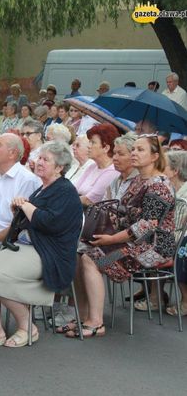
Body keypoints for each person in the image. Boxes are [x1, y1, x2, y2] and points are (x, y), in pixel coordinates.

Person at [0, 141, 83, 348]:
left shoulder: (65, 190)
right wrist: (19, 211)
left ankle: (27, 327)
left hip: (48, 251)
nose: (39, 162)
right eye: (39, 158)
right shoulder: (43, 188)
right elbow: (27, 221)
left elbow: (48, 222)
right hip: (27, 245)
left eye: (46, 160)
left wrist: (25, 205)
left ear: (59, 167)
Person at [73, 135, 176, 338]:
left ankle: (96, 322)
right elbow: (122, 214)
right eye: (134, 149)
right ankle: (83, 316)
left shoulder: (159, 186)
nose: (134, 153)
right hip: (131, 240)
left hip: (154, 247)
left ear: (155, 156)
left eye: (140, 150)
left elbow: (146, 227)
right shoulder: (137, 181)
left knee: (91, 258)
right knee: (79, 253)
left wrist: (110, 239)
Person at [75, 124, 120, 206]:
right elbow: (75, 190)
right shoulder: (92, 167)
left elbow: (89, 200)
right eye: (89, 142)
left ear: (106, 148)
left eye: (93, 142)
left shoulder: (112, 172)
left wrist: (65, 199)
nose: (88, 146)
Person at [165, 151, 187, 316]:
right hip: (171, 234)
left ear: (175, 171)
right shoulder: (166, 188)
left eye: (163, 166)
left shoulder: (183, 194)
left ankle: (185, 300)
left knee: (181, 251)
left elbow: (178, 225)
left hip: (180, 236)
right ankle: (153, 293)